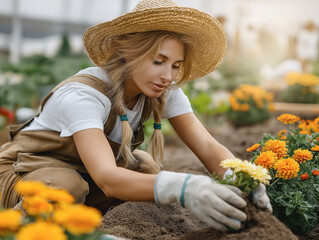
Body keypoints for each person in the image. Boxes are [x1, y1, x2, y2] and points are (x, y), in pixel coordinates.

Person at [0, 0, 272, 233]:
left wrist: (243, 179)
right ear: (128, 53)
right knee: (67, 186)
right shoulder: (84, 95)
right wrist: (183, 186)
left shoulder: (163, 90)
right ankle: (21, 228)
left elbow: (208, 147)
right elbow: (107, 177)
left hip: (82, 174)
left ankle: (85, 222)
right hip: (22, 175)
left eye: (176, 65)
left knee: (145, 167)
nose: (167, 76)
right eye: (158, 61)